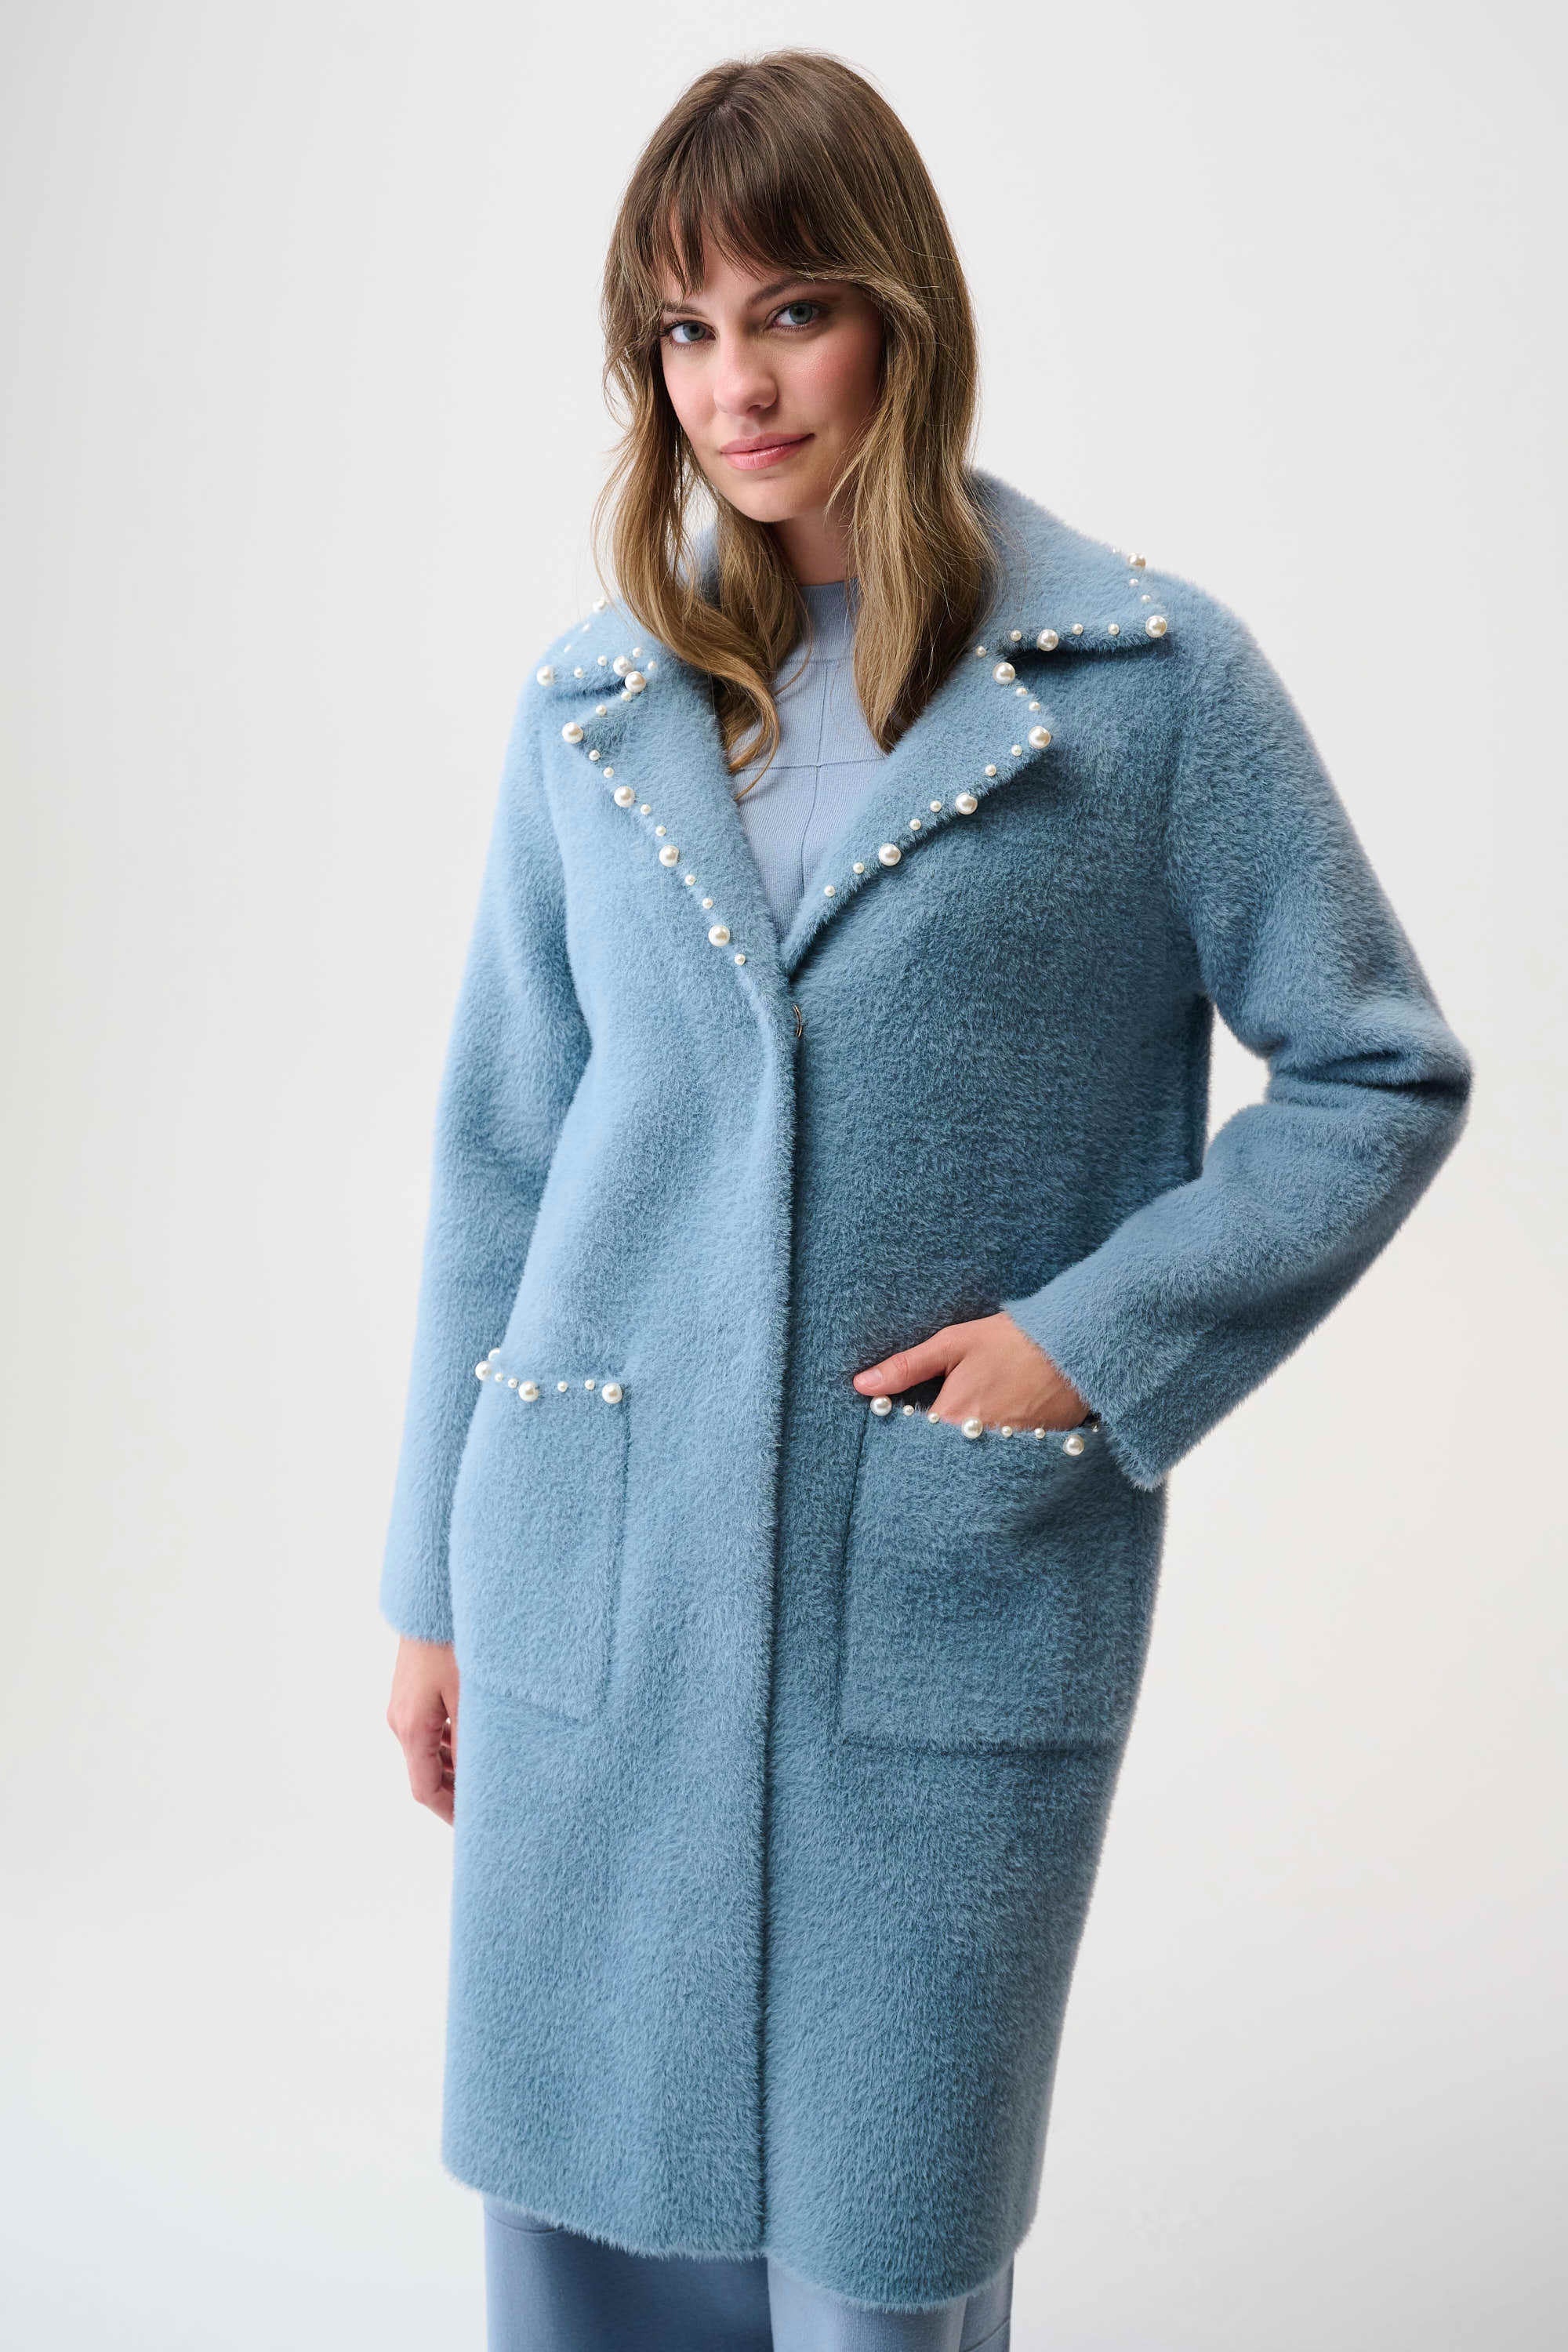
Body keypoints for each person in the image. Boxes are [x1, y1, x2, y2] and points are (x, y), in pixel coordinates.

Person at [380, 49, 1472, 2352]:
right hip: (590, 1587)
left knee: (889, 2253)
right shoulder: (593, 710)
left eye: (791, 312)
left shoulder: (1146, 688)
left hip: (937, 1590)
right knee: (585, 2248)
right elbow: (504, 1150)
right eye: (685, 333)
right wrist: (427, 1587)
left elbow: (1376, 1066)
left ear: (903, 312)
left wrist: (1092, 1341)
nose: (738, 387)